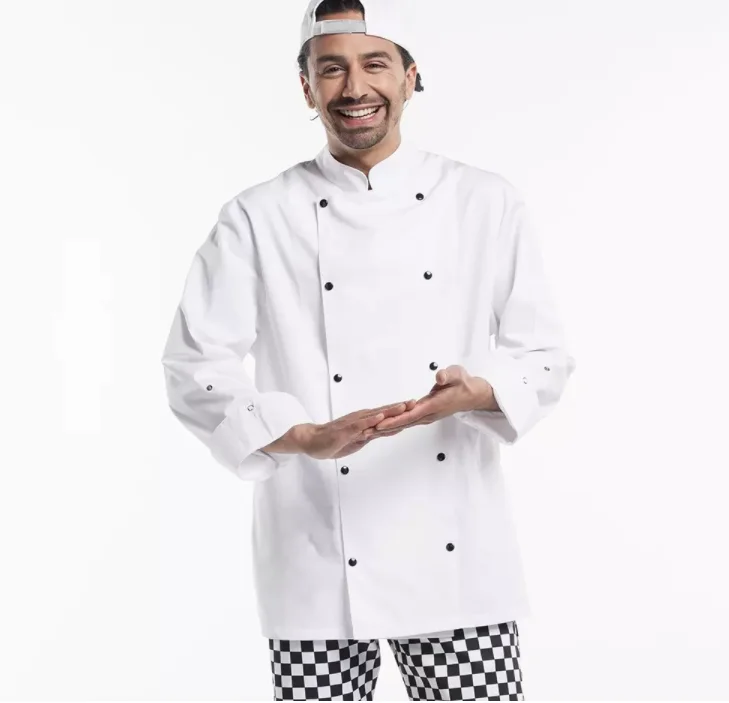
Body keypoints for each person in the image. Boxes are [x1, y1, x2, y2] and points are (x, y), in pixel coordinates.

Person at [161, 0, 576, 699]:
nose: (355, 88)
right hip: (315, 547)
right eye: (332, 69)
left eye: (375, 63)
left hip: (455, 556)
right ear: (306, 87)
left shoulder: (484, 201)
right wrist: (303, 435)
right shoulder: (258, 216)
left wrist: (477, 391)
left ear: (410, 76)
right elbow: (194, 366)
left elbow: (544, 354)